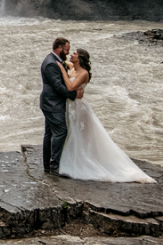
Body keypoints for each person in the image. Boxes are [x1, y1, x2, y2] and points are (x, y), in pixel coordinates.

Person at [55, 47, 156, 183]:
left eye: (74, 53)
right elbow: (65, 62)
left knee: (78, 134)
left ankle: (81, 162)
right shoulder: (73, 67)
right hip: (70, 106)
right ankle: (72, 159)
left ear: (80, 58)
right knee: (72, 133)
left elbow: (70, 88)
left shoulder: (84, 73)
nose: (71, 54)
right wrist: (58, 60)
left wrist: (61, 71)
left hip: (78, 108)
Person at [38, 36, 76, 175]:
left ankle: (48, 165)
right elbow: (58, 86)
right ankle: (54, 166)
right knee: (60, 131)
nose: (68, 52)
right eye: (66, 50)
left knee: (50, 134)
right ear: (59, 48)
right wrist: (73, 95)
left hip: (51, 103)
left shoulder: (56, 61)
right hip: (52, 103)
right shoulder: (51, 63)